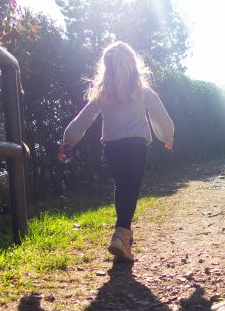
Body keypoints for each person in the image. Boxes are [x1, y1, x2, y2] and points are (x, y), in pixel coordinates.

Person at [59, 41, 174, 262]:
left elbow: (82, 120)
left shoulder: (103, 94)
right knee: (129, 190)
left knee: (122, 188)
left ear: (107, 68)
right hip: (136, 148)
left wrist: (68, 141)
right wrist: (167, 137)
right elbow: (161, 116)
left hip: (112, 150)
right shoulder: (143, 92)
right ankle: (121, 235)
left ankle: (122, 238)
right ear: (133, 64)